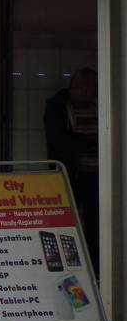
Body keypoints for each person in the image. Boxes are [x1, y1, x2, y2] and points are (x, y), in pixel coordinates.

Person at [45, 67, 99, 272]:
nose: (95, 91)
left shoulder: (95, 107)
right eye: (92, 87)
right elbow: (58, 141)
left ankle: (95, 263)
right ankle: (69, 263)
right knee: (68, 220)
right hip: (70, 173)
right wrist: (87, 143)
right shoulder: (58, 108)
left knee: (96, 220)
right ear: (80, 87)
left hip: (95, 173)